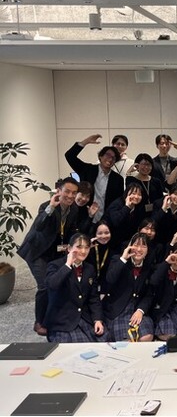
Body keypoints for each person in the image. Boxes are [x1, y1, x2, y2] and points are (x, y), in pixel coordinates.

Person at [17, 177, 80, 336]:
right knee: (45, 285)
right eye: (67, 191)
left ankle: (53, 315)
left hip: (54, 251)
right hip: (37, 251)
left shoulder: (74, 209)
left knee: (58, 282)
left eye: (74, 193)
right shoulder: (47, 206)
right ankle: (39, 321)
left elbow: (70, 230)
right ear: (59, 191)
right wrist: (51, 207)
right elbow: (39, 226)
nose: (70, 196)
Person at [44, 233, 106, 343]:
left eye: (87, 247)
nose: (83, 251)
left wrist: (97, 319)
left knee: (105, 343)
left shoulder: (90, 269)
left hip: (84, 319)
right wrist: (68, 265)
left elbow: (93, 298)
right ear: (69, 248)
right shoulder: (55, 265)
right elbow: (52, 285)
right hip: (62, 321)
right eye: (79, 247)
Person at [102, 233, 155, 342]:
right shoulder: (118, 260)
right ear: (130, 246)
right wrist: (123, 259)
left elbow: (149, 294)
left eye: (143, 246)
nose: (139, 249)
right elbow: (109, 279)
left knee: (147, 337)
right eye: (136, 245)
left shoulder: (149, 267)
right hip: (118, 310)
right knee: (126, 341)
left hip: (137, 310)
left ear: (148, 250)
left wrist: (141, 310)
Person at [64, 134, 124, 221]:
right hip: (83, 217)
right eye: (108, 155)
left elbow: (118, 202)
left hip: (106, 220)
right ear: (100, 156)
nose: (110, 159)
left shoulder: (118, 179)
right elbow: (69, 156)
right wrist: (85, 142)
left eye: (113, 158)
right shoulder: (87, 169)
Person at [103, 181, 146, 247]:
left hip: (125, 241)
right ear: (126, 193)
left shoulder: (139, 207)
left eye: (139, 195)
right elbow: (116, 222)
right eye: (133, 193)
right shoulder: (117, 204)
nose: (136, 197)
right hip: (110, 239)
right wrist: (127, 207)